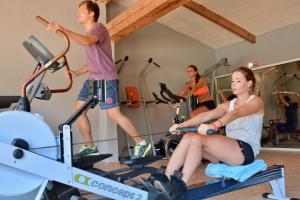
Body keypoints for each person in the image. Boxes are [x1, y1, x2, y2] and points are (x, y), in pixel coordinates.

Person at [47, 0, 151, 158]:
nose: (77, 13)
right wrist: (77, 72)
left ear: (91, 13)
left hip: (106, 78)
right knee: (78, 112)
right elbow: (92, 63)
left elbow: (86, 42)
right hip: (92, 80)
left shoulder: (99, 28)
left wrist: (63, 29)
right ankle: (90, 147)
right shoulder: (89, 35)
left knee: (114, 114)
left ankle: (141, 143)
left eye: (81, 10)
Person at [153, 66, 264, 200]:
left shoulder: (256, 102)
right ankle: (166, 178)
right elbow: (205, 115)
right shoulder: (228, 104)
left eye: (238, 81)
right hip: (228, 152)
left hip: (246, 151)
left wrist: (216, 124)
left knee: (198, 139)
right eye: (232, 81)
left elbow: (237, 113)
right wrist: (181, 125)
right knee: (189, 136)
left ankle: (180, 185)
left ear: (249, 83)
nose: (233, 84)